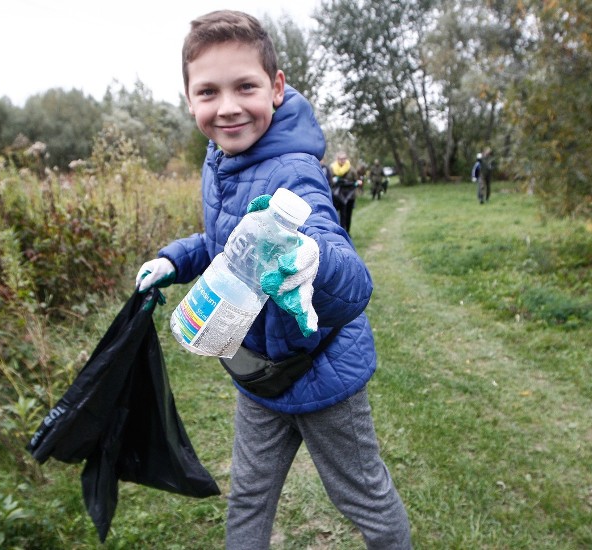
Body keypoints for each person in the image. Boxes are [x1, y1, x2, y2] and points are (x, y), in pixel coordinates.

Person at [135, 10, 411, 549]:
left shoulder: (292, 170)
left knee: (364, 499)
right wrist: (175, 259)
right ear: (190, 99)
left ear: (277, 88)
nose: (229, 106)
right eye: (209, 92)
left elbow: (349, 278)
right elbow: (225, 246)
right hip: (258, 377)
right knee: (250, 497)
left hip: (322, 374)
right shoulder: (221, 159)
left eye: (246, 86)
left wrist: (314, 262)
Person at [329, 151, 359, 233]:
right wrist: (334, 180)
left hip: (349, 197)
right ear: (337, 159)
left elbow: (356, 180)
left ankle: (347, 232)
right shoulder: (332, 168)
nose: (343, 161)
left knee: (347, 215)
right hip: (336, 196)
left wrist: (357, 183)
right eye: (341, 159)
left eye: (344, 159)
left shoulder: (351, 169)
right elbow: (329, 181)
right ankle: (335, 231)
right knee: (334, 215)